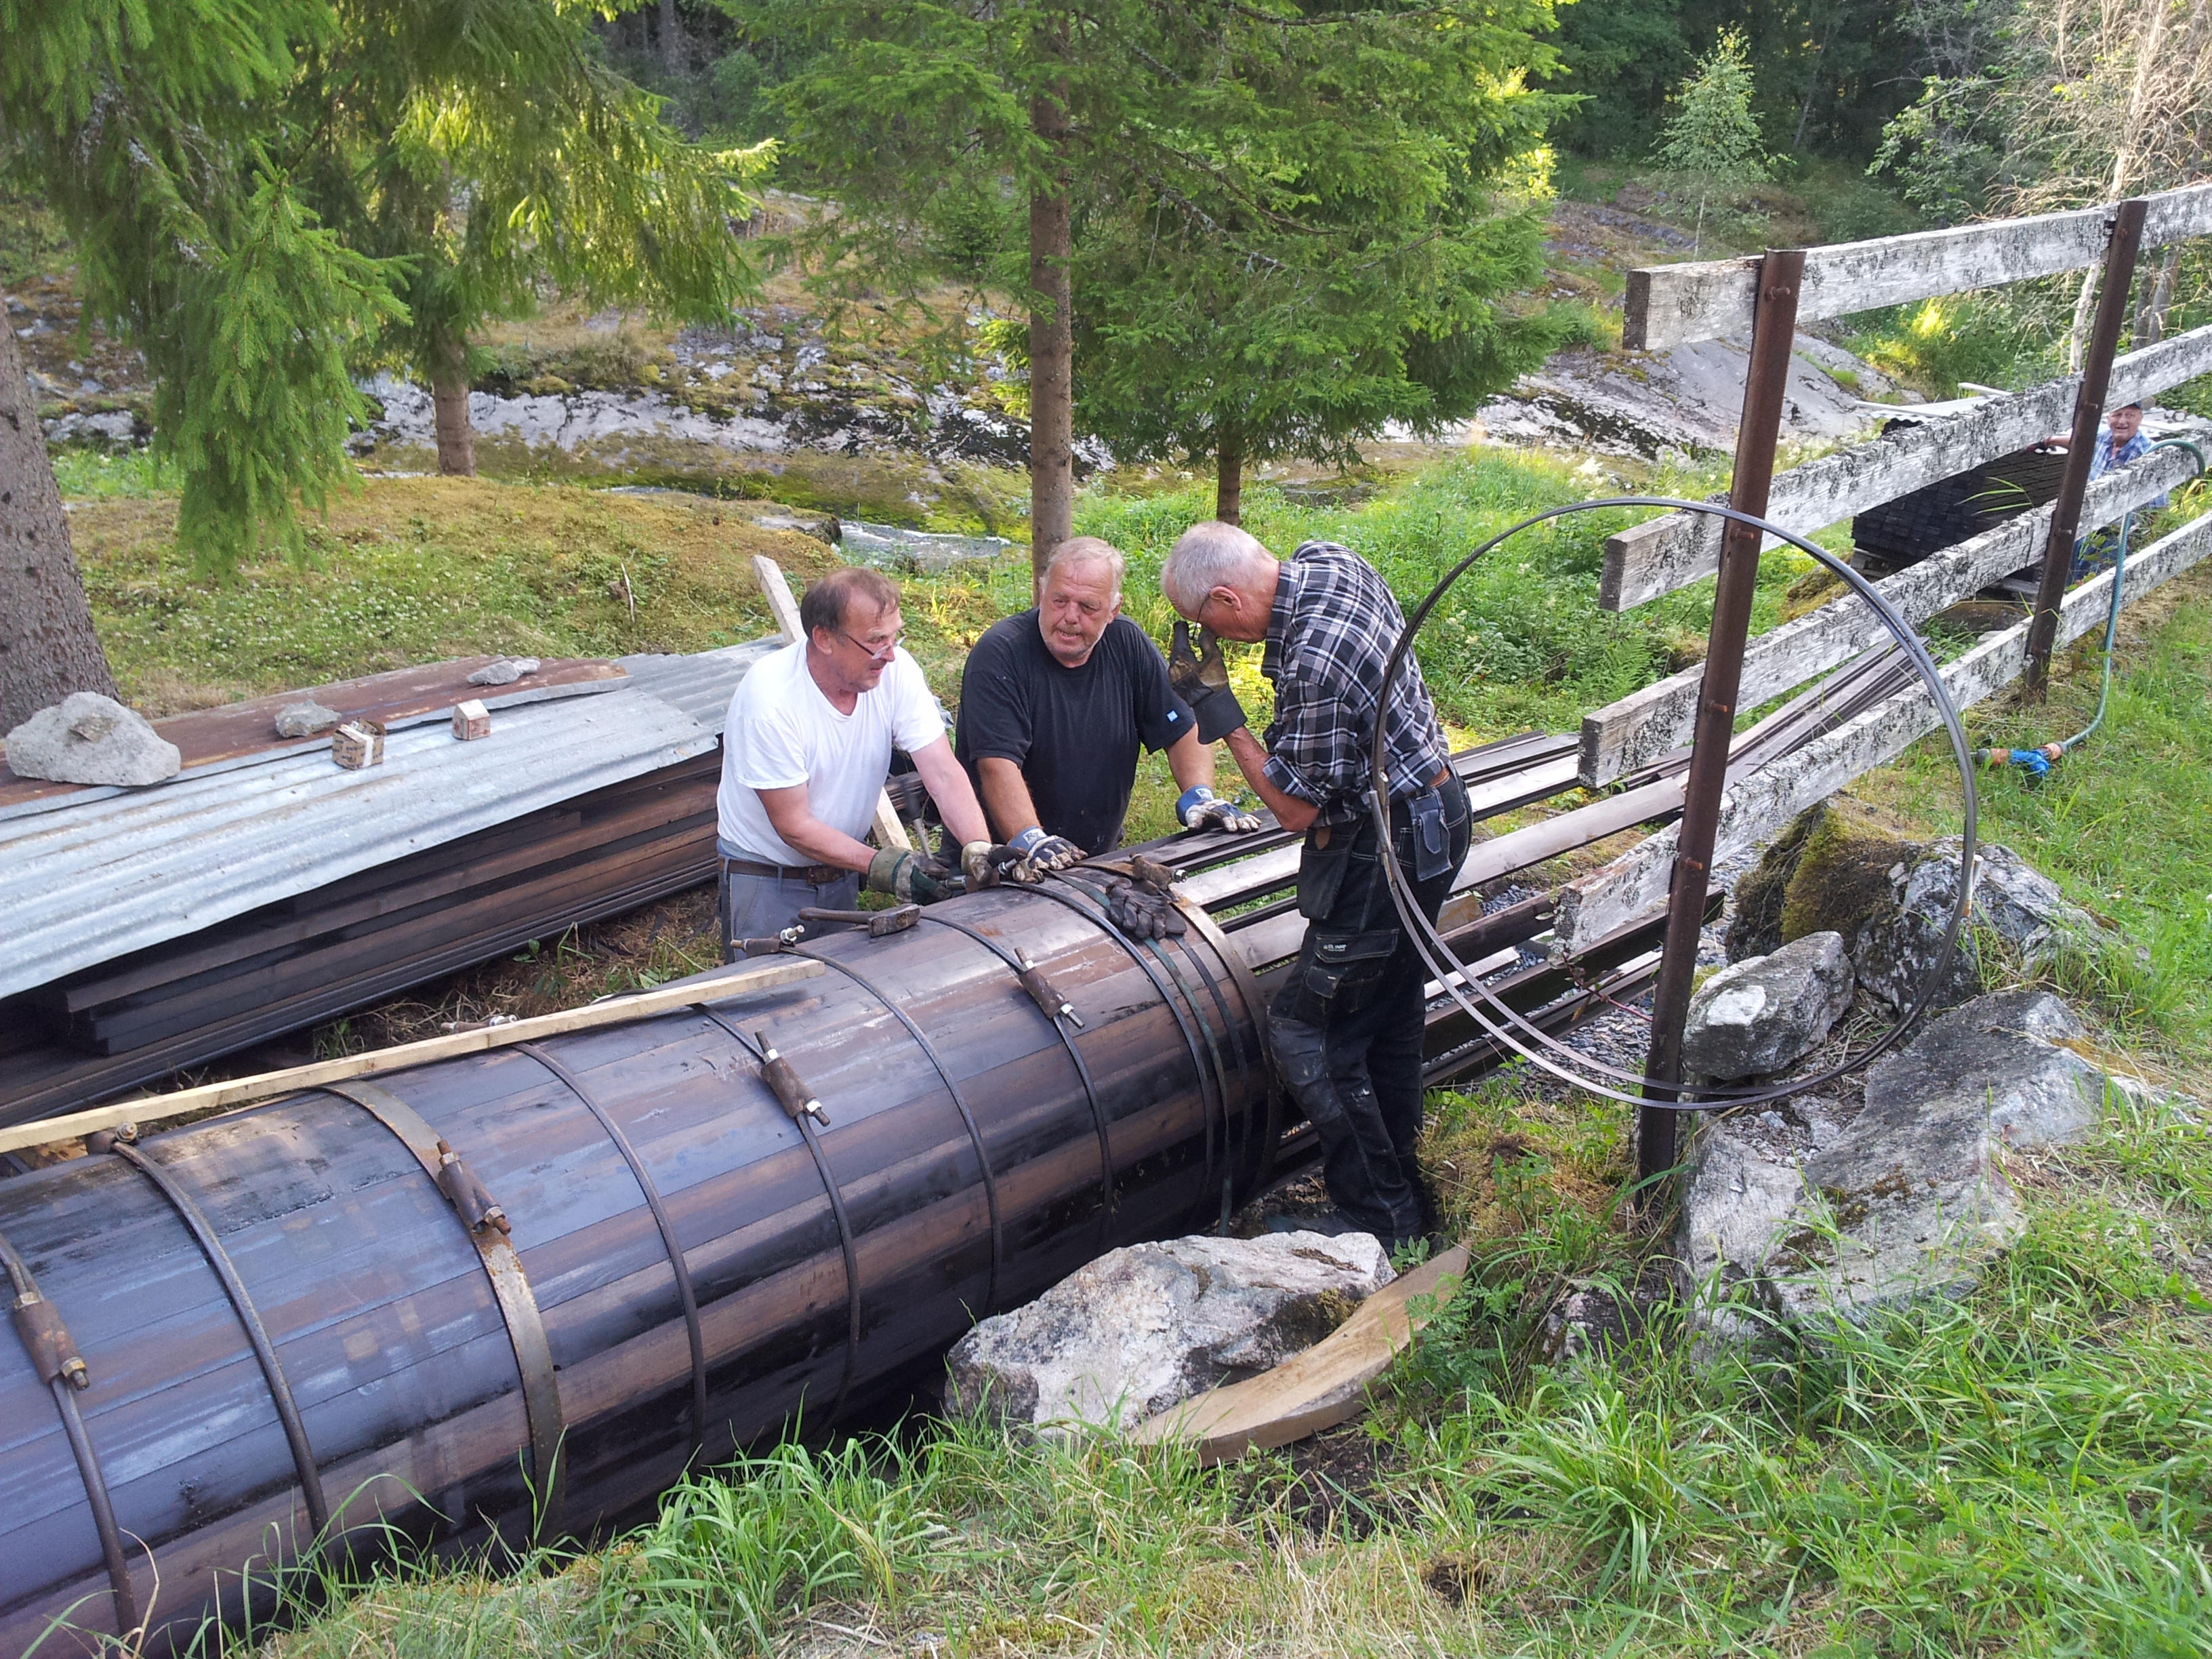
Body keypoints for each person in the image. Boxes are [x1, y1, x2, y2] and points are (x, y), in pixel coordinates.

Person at [1160, 520, 1470, 1252]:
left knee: (1309, 1031)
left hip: (1388, 843)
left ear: (1228, 597)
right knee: (1388, 1007)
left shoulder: (1314, 664)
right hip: (1441, 809)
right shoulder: (1328, 560)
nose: (1213, 639)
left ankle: (1377, 1216)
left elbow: (1297, 810)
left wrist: (1221, 715)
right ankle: (1405, 1188)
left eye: (1208, 622)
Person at [716, 566, 996, 954]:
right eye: (877, 641)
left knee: (840, 982)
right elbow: (793, 825)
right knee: (768, 990)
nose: (891, 655)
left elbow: (944, 773)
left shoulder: (895, 672)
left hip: (841, 870)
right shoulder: (770, 701)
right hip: (768, 877)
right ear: (824, 638)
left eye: (895, 636)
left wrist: (979, 848)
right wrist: (886, 866)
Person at [956, 536, 1261, 888]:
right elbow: (997, 765)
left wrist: (1199, 796)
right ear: (1042, 591)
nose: (1070, 617)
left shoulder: (1126, 642)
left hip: (1096, 860)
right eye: (1059, 601)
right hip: (1002, 868)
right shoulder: (1000, 654)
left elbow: (1180, 728)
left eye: (1088, 607)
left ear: (1113, 610)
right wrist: (1030, 839)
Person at [2050, 401, 2167, 579]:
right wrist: (2049, 441)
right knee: (2070, 579)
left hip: (2118, 537)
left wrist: (2142, 543)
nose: (2122, 421)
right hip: (2085, 525)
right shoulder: (2102, 437)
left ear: (2140, 419)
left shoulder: (2150, 453)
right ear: (2108, 417)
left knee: (2097, 582)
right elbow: (2078, 440)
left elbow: (2159, 508)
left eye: (2130, 415)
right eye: (2117, 414)